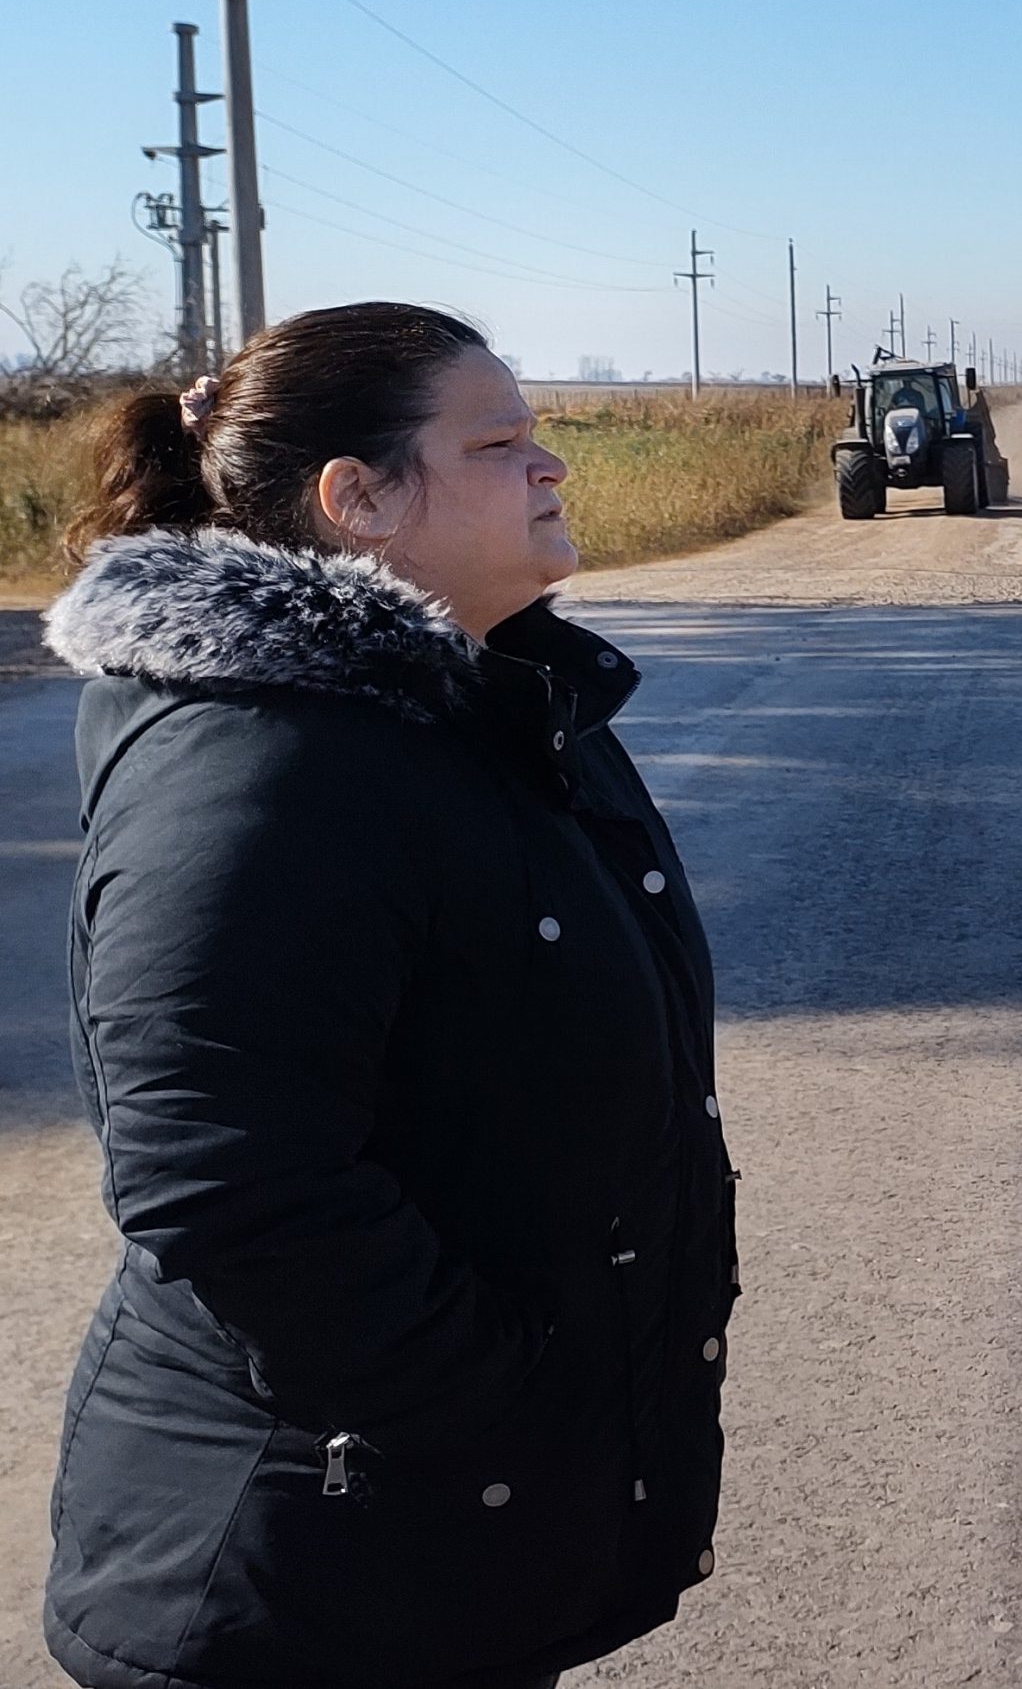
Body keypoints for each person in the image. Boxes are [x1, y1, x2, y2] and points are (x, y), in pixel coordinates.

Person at [40, 303, 734, 1689]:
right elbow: (227, 1185)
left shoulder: (490, 705)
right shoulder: (261, 760)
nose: (550, 466)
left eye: (538, 435)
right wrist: (494, 1396)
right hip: (298, 1584)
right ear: (357, 498)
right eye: (498, 443)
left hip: (433, 1550)